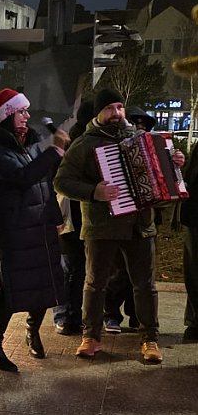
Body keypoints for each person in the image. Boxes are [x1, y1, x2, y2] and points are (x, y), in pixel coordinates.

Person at [54, 89, 184, 363]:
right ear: (99, 113)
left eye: (120, 107)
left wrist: (174, 165)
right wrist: (93, 192)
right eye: (110, 108)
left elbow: (163, 180)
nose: (116, 113)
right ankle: (91, 336)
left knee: (145, 285)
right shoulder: (85, 143)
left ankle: (150, 339)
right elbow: (61, 181)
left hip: (140, 225)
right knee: (95, 283)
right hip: (101, 226)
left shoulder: (141, 139)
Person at [0, 88, 67, 372]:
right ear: (7, 116)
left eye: (26, 112)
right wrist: (54, 151)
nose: (26, 116)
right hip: (13, 230)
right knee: (8, 289)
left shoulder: (30, 144)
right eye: (20, 112)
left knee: (43, 284)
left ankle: (33, 330)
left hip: (39, 227)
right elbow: (23, 178)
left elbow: (45, 185)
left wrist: (54, 217)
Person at [101, 105, 156, 333]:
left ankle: (137, 316)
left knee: (142, 275)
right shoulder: (115, 147)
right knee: (118, 271)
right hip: (119, 216)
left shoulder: (152, 148)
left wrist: (175, 163)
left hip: (144, 220)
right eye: (136, 123)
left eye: (144, 125)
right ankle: (111, 314)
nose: (140, 128)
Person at [52, 100, 92, 336]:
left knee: (76, 270)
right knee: (71, 269)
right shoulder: (74, 144)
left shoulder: (83, 141)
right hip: (70, 214)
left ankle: (72, 316)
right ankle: (66, 315)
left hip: (79, 215)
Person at [178, 139, 198, 340]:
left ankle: (194, 322)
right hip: (195, 216)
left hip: (193, 215)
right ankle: (194, 321)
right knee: (193, 271)